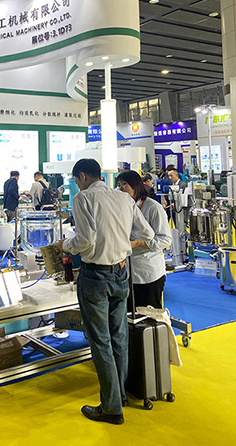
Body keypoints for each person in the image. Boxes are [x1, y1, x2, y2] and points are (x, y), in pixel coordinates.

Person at [62, 158, 154, 424]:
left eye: (76, 180)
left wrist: (65, 245)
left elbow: (85, 240)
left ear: (82, 177)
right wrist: (119, 242)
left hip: (95, 276)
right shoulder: (124, 198)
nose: (77, 185)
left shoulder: (83, 198)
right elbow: (147, 233)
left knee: (101, 341)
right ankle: (120, 395)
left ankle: (112, 408)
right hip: (121, 274)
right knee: (119, 336)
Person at [116, 171, 172, 308]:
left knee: (150, 314)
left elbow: (165, 240)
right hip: (128, 272)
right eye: (118, 185)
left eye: (124, 184)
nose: (120, 188)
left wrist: (139, 243)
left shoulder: (153, 208)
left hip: (149, 271)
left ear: (135, 185)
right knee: (130, 313)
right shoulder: (122, 208)